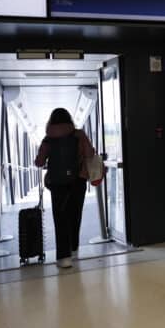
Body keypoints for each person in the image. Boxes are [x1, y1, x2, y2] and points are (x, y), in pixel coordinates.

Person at [34, 107, 98, 269]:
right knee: (75, 215)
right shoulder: (79, 134)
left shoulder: (48, 139)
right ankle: (74, 249)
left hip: (57, 184)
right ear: (69, 120)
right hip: (78, 181)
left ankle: (64, 258)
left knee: (60, 218)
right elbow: (90, 154)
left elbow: (39, 162)